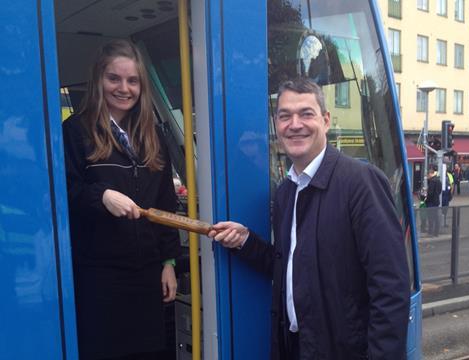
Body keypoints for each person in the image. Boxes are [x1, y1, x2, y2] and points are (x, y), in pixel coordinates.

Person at [209, 78, 410, 359]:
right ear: (276, 125)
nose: (295, 124)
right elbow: (291, 267)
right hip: (296, 347)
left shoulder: (361, 182)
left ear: (325, 121)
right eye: (285, 116)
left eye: (306, 113)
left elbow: (391, 288)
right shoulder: (286, 191)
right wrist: (246, 241)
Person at [62, 40, 181, 360]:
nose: (124, 88)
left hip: (146, 277)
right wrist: (101, 195)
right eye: (114, 78)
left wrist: (169, 263)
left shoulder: (154, 136)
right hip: (99, 279)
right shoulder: (75, 131)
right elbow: (64, 194)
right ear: (98, 80)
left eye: (132, 81)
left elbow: (165, 205)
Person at [425, 168, 442, 236]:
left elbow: (430, 193)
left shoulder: (432, 181)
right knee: (436, 217)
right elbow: (440, 191)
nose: (427, 176)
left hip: (431, 202)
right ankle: (436, 232)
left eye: (428, 175)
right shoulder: (438, 180)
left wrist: (426, 199)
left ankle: (430, 231)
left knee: (430, 217)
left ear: (430, 174)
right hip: (436, 201)